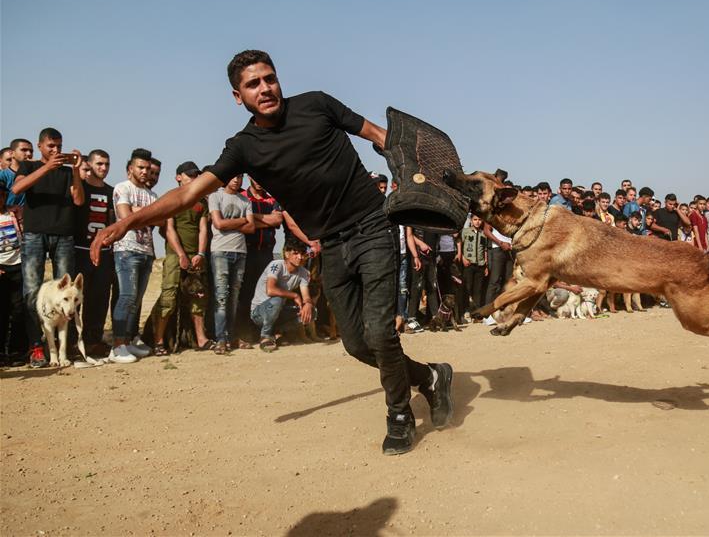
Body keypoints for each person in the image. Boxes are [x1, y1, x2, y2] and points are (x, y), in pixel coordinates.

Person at [91, 49, 452, 456]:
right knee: (356, 343)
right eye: (253, 84)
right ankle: (430, 377)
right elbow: (188, 194)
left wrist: (429, 175)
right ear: (237, 96)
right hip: (330, 244)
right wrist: (126, 223)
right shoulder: (243, 148)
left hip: (372, 225)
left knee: (380, 332)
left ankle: (399, 415)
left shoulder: (317, 104)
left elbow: (378, 135)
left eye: (269, 78)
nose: (264, 89)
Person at [11, 128, 84, 367]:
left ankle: (64, 348)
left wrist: (75, 170)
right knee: (32, 292)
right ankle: (36, 347)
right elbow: (17, 189)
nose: (56, 150)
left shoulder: (67, 171)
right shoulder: (29, 166)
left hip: (63, 234)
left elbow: (78, 199)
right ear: (40, 146)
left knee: (67, 292)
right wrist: (47, 167)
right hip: (34, 234)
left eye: (59, 146)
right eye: (51, 146)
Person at [148, 161, 211, 354]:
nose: (194, 178)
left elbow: (203, 229)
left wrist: (200, 253)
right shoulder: (172, 198)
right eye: (189, 175)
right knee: (169, 297)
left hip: (196, 256)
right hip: (175, 256)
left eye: (196, 175)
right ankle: (158, 342)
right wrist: (181, 254)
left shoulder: (201, 201)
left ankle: (201, 339)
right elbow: (169, 229)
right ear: (178, 177)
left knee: (198, 298)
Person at [109, 148, 159, 363]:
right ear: (130, 168)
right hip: (126, 249)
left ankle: (128, 341)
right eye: (140, 167)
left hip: (147, 251)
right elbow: (125, 216)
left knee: (136, 301)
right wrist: (146, 213)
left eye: (147, 168)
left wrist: (137, 211)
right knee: (127, 297)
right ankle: (117, 345)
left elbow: (160, 220)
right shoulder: (122, 188)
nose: (145, 172)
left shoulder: (152, 195)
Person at [73, 149, 116, 357]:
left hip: (104, 253)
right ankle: (72, 343)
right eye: (99, 164)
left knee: (99, 300)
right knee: (74, 300)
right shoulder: (80, 188)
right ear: (89, 165)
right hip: (79, 250)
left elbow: (113, 220)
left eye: (107, 164)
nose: (104, 168)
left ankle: (93, 341)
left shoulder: (112, 191)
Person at [208, 173, 255, 353]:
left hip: (240, 252)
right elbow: (218, 224)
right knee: (221, 296)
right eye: (233, 176)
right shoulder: (215, 196)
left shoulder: (245, 200)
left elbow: (251, 227)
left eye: (240, 177)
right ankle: (220, 339)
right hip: (220, 250)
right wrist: (242, 220)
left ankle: (230, 336)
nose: (236, 180)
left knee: (234, 297)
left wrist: (230, 223)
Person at [235, 176, 282, 343]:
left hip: (267, 252)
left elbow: (277, 220)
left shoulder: (272, 199)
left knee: (266, 292)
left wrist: (251, 218)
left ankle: (265, 333)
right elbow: (241, 223)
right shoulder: (241, 197)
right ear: (249, 177)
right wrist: (266, 220)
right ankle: (244, 333)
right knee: (246, 293)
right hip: (247, 251)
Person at [249, 236, 313, 352]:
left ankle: (278, 332)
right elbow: (270, 290)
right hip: (259, 312)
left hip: (278, 312)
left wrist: (308, 303)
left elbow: (306, 296)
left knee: (312, 312)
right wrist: (295, 295)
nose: (299, 257)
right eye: (295, 253)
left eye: (302, 254)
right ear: (287, 254)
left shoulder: (304, 272)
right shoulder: (276, 265)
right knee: (277, 299)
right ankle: (265, 336)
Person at [0, 183, 27, 366]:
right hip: (1, 268)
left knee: (19, 310)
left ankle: (17, 351)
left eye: (2, 195)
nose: (0, 199)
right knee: (1, 311)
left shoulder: (14, 213)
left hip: (18, 266)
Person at [460, 214, 488, 316]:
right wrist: (463, 258)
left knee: (478, 289)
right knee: (467, 287)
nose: (477, 222)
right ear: (471, 221)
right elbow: (459, 245)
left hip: (480, 265)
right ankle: (466, 310)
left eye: (479, 219)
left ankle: (476, 311)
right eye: (475, 219)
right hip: (468, 264)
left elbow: (485, 249)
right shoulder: (465, 232)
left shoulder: (483, 233)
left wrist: (486, 265)